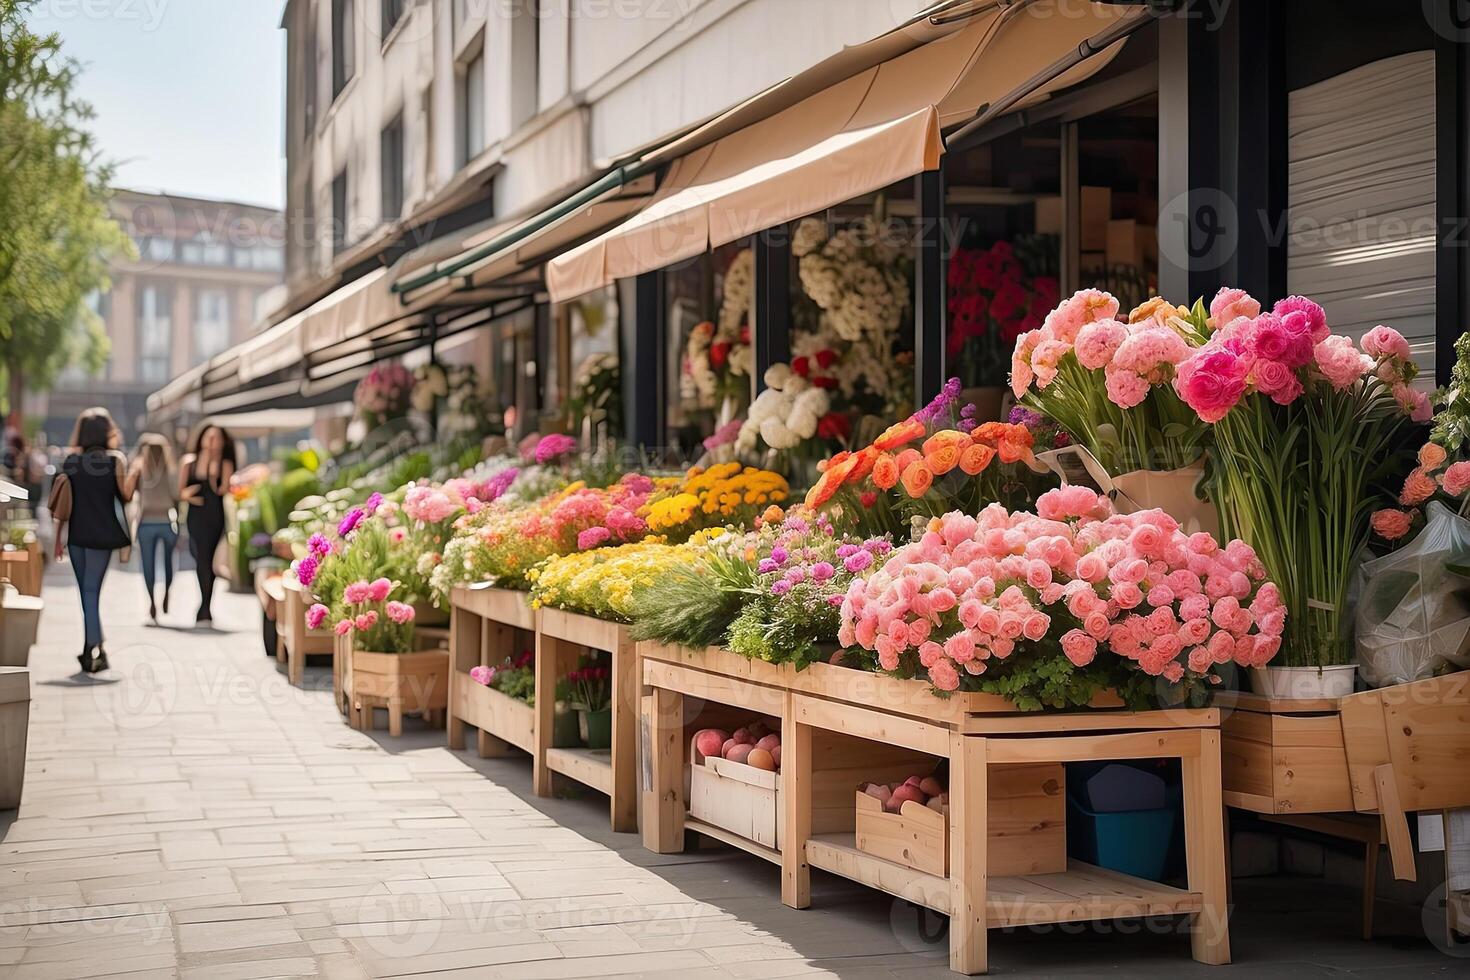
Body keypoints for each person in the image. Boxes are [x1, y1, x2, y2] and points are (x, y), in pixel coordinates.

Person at [49, 408, 135, 674]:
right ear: (107, 431)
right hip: (102, 536)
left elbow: (62, 503)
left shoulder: (71, 462)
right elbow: (126, 497)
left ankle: (92, 649)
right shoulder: (115, 461)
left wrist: (58, 539)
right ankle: (93, 649)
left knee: (86, 593)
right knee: (91, 592)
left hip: (77, 536)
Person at [178, 424, 235, 626]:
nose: (213, 442)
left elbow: (222, 490)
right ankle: (204, 606)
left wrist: (212, 472)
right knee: (200, 557)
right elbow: (180, 492)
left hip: (215, 516)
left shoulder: (225, 463)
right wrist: (190, 497)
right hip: (195, 516)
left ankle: (205, 608)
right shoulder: (189, 462)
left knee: (207, 559)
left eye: (217, 438)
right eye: (210, 438)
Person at [131, 433, 179, 623]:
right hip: (167, 521)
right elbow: (177, 494)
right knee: (169, 562)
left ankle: (152, 600)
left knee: (147, 565)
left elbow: (131, 493)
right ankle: (166, 591)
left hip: (146, 522)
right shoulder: (171, 471)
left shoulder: (140, 470)